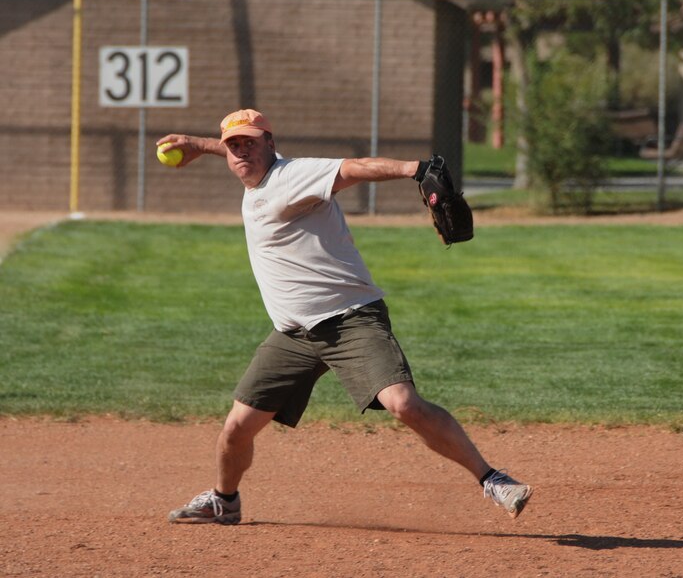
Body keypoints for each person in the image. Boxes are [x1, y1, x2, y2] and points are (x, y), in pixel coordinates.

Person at [161, 109, 532, 524]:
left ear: (271, 142)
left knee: (404, 404)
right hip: (293, 336)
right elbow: (238, 154)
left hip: (349, 320)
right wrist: (199, 144)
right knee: (236, 427)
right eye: (233, 145)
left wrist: (417, 169)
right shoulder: (253, 173)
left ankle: (491, 478)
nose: (241, 151)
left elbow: (353, 169)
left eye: (251, 141)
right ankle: (224, 500)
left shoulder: (291, 177)